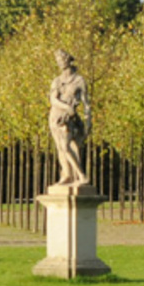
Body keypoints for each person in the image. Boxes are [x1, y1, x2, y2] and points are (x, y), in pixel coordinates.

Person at [49, 49, 91, 186]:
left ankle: (81, 176)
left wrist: (88, 120)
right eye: (58, 61)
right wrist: (66, 107)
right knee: (60, 148)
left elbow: (86, 103)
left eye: (62, 60)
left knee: (67, 146)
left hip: (69, 118)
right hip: (56, 116)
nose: (60, 63)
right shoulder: (57, 81)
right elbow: (53, 100)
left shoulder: (79, 80)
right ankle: (67, 175)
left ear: (68, 60)